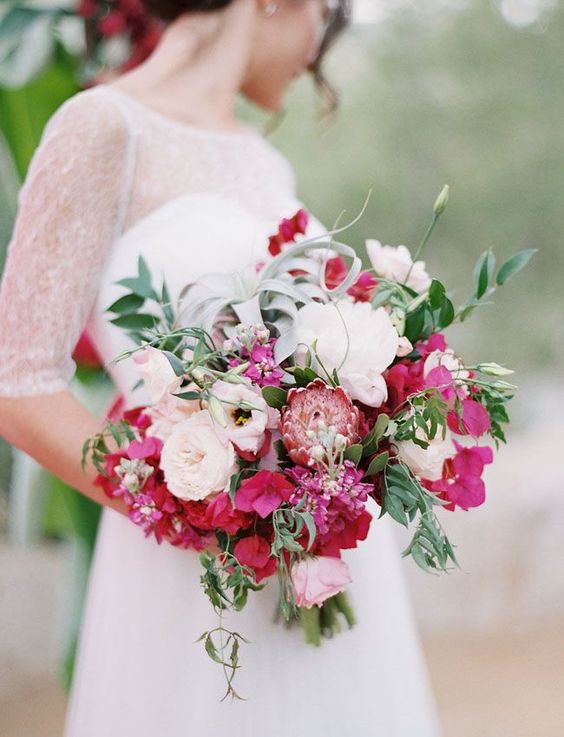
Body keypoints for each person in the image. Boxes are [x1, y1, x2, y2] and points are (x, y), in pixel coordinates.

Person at [0, 1, 443, 734]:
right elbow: (19, 381)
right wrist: (193, 506)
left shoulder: (265, 160)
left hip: (318, 557)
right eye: (324, 18)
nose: (314, 54)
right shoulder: (104, 126)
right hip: (184, 566)